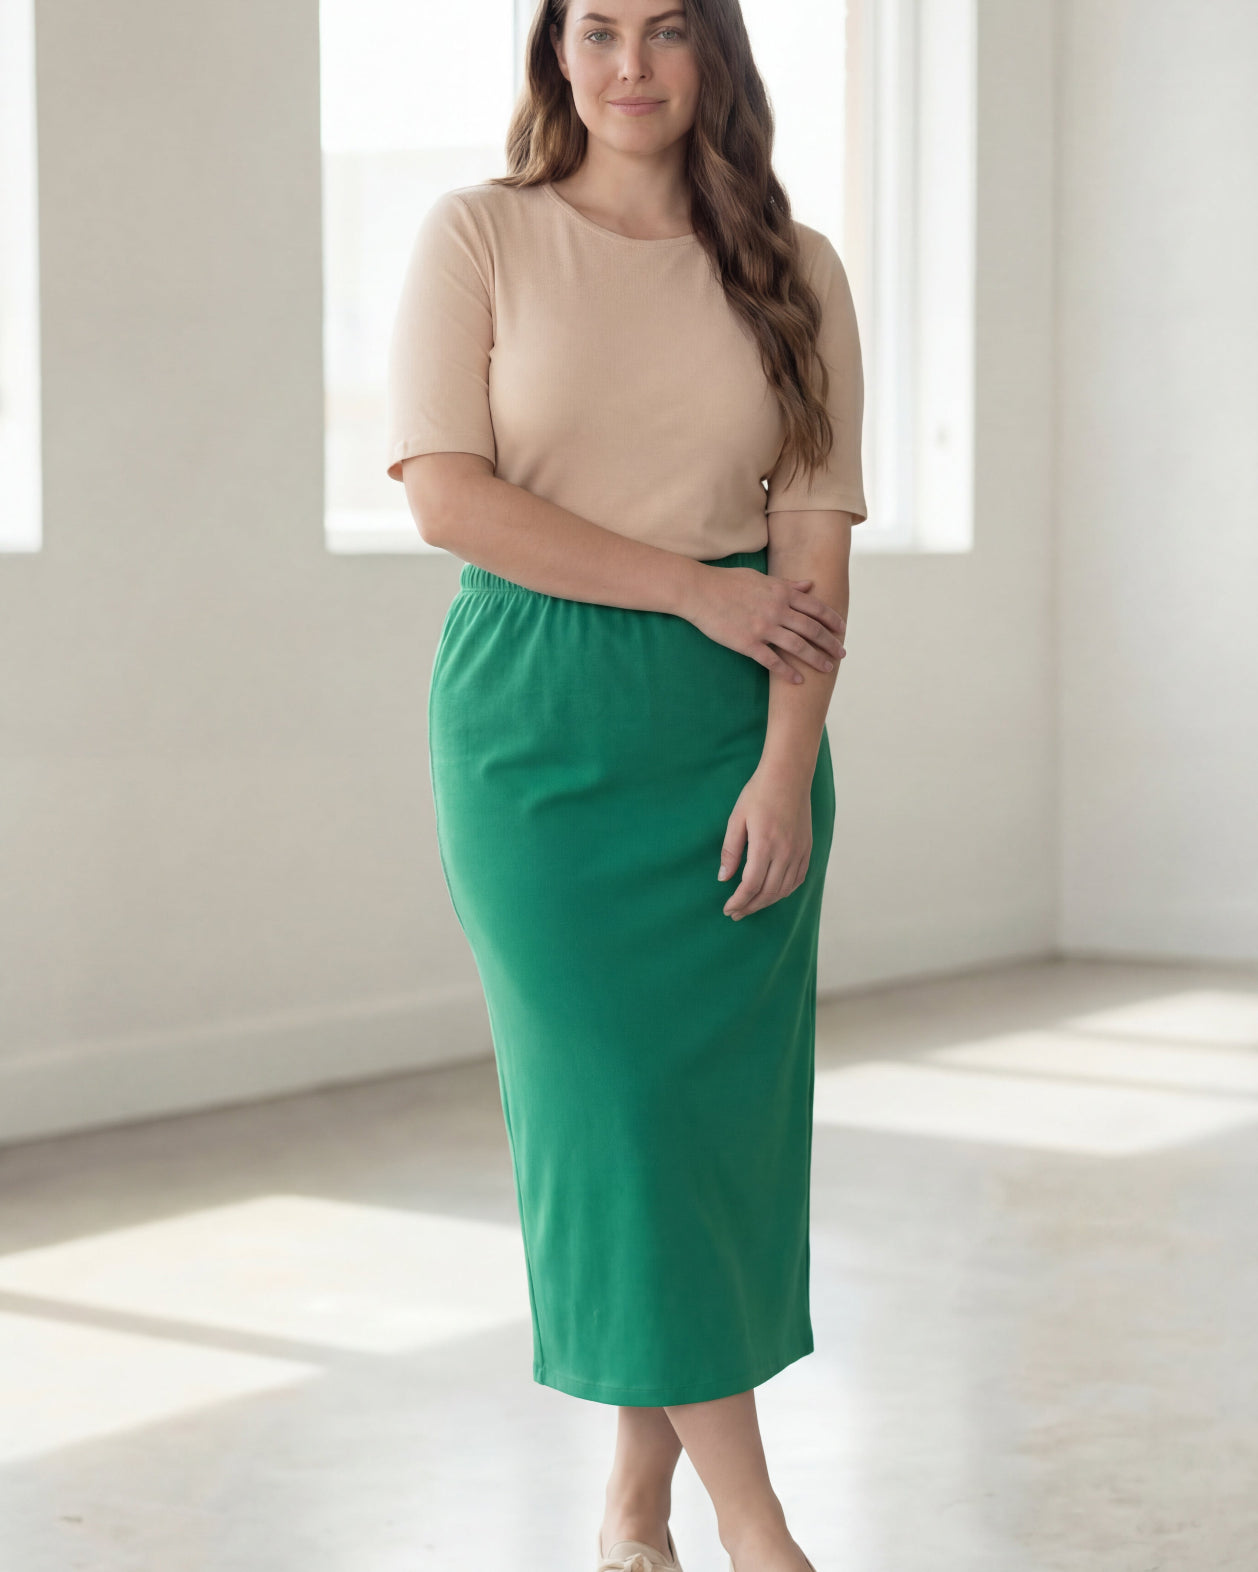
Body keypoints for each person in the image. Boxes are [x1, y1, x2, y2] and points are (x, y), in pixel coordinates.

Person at [385, 3, 866, 1569]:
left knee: (700, 1126)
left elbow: (809, 552)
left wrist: (785, 766)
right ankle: (757, 1524)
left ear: (715, 55)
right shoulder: (479, 237)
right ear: (555, 53)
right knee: (616, 1116)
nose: (631, 65)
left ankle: (633, 1505)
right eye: (596, 28)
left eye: (668, 30)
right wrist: (686, 590)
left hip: (736, 725)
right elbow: (449, 499)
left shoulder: (795, 271)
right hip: (536, 725)